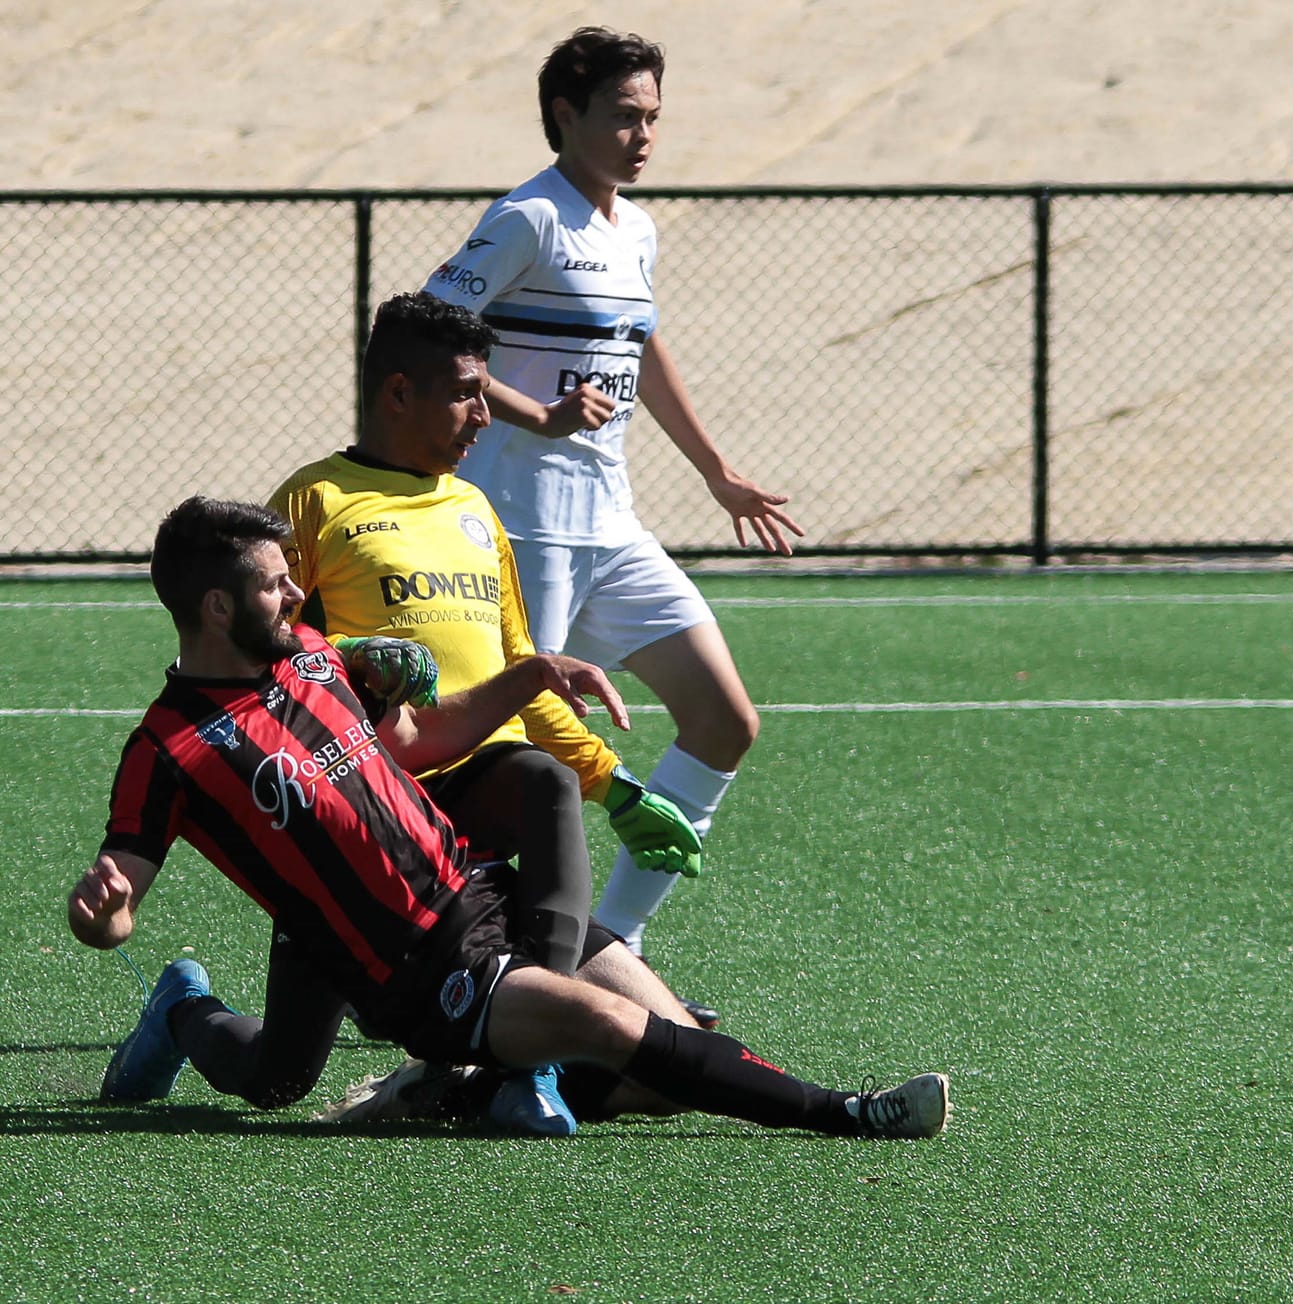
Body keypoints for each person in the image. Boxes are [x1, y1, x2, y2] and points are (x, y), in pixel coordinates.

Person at [68, 497, 948, 1140]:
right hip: (418, 970)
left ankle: (462, 1091)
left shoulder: (309, 655)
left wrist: (528, 678)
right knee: (611, 1033)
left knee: (668, 1059)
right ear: (217, 608)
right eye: (274, 584)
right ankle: (854, 1113)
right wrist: (105, 913)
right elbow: (119, 902)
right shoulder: (168, 749)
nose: (296, 594)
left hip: (484, 893)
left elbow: (414, 739)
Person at [422, 26, 804, 965]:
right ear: (566, 114)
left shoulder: (633, 227)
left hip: (611, 528)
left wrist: (716, 471)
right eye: (625, 116)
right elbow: (430, 332)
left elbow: (640, 344)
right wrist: (534, 415)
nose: (644, 136)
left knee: (723, 721)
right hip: (517, 532)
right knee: (512, 768)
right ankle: (407, 954)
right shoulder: (528, 218)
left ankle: (612, 949)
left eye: (654, 118)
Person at [268, 289, 716, 1027]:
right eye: (467, 396)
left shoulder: (475, 510)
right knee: (278, 1074)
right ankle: (184, 1012)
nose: (484, 415)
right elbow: (262, 649)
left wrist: (612, 784)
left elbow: (520, 675)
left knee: (541, 782)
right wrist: (351, 653)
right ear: (401, 393)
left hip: (480, 787)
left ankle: (531, 1030)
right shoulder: (314, 499)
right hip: (371, 796)